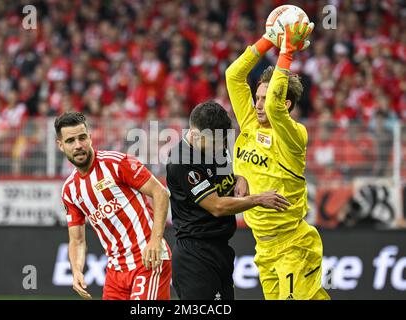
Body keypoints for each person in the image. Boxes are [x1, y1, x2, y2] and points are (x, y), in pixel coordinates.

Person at [225, 18, 330, 300]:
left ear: (284, 104)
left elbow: (272, 104)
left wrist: (287, 52)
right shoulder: (250, 124)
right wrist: (268, 39)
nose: (257, 104)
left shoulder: (293, 136)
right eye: (256, 98)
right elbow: (233, 76)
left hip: (293, 246)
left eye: (263, 98)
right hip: (264, 248)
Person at [166, 101, 290, 300]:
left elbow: (226, 178)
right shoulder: (182, 161)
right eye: (218, 142)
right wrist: (258, 199)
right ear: (197, 135)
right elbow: (216, 206)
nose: (223, 146)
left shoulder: (215, 145)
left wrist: (240, 178)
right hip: (196, 257)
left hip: (221, 249)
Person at [55, 111, 171, 300]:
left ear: (90, 138)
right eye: (70, 141)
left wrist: (155, 241)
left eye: (82, 138)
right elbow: (77, 240)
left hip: (148, 261)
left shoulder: (117, 164)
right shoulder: (70, 190)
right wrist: (76, 271)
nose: (78, 145)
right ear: (60, 145)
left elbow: (160, 193)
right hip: (115, 272)